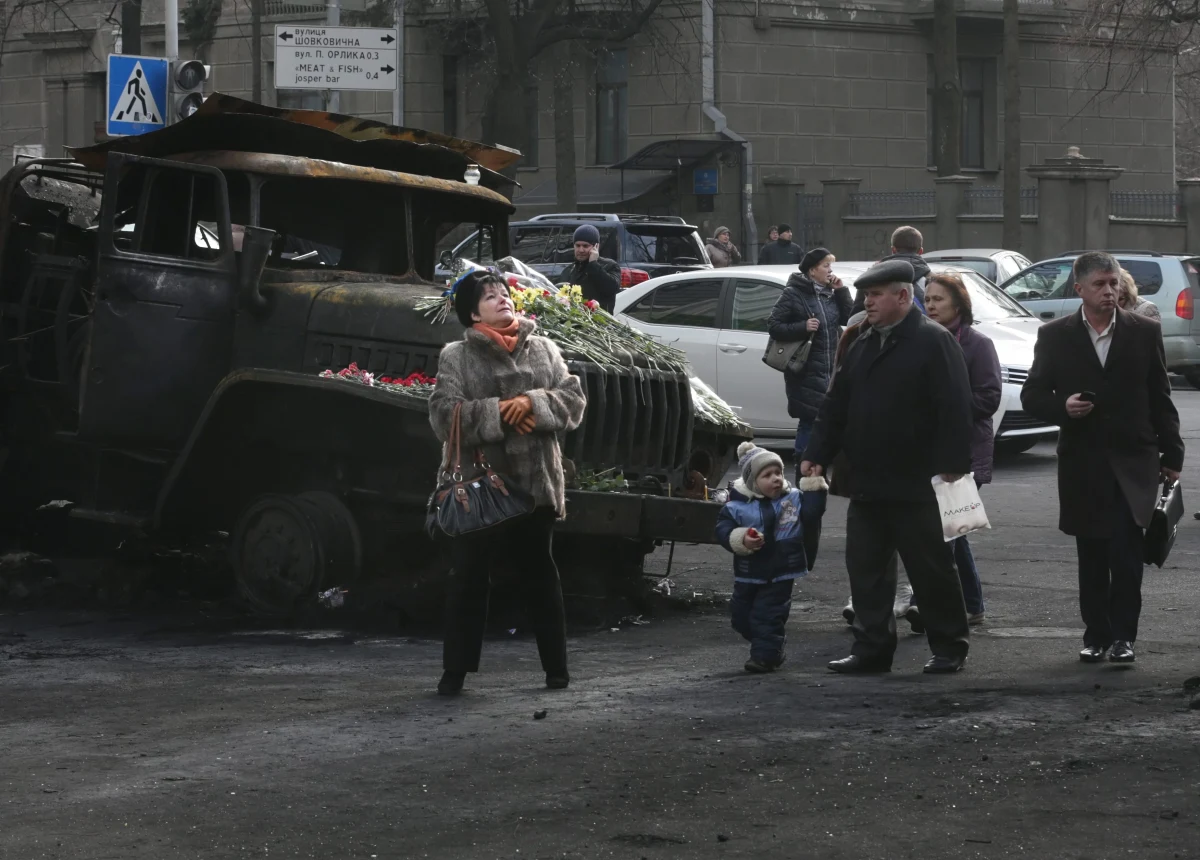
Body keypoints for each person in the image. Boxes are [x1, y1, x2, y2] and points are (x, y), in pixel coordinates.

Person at [801, 258, 974, 675]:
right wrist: (816, 453)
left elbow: (954, 406)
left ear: (902, 296)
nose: (867, 302)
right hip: (867, 480)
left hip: (917, 481)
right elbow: (836, 405)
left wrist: (953, 465)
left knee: (931, 568)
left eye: (875, 294)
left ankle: (949, 646)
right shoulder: (863, 341)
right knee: (867, 570)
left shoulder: (933, 341)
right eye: (865, 294)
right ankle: (872, 648)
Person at [428, 271, 587, 695]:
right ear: (471, 310)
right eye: (489, 297)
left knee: (541, 575)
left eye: (504, 294)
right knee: (468, 577)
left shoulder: (546, 349)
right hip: (483, 486)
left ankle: (557, 670)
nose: (502, 300)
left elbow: (574, 401)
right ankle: (455, 673)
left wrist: (531, 404)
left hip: (537, 485)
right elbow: (444, 414)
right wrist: (500, 413)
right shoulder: (457, 356)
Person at [1021, 251, 1183, 665]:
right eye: (1099, 284)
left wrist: (1172, 453)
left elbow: (1160, 396)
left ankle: (1124, 637)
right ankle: (1096, 635)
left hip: (1135, 459)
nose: (1110, 291)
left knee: (1127, 553)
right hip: (1084, 461)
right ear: (1079, 289)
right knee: (1092, 553)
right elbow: (1033, 395)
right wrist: (1064, 407)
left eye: (1113, 283)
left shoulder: (1144, 331)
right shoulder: (1055, 335)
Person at [923, 272, 1002, 625]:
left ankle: (937, 610)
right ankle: (971, 605)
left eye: (938, 299)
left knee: (944, 534)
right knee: (954, 529)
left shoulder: (977, 344)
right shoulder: (924, 340)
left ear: (958, 303)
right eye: (927, 299)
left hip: (965, 452)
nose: (930, 305)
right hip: (929, 450)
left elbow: (989, 398)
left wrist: (946, 403)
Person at [715, 442, 826, 673]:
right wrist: (741, 538)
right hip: (749, 571)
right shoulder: (737, 507)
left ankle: (765, 657)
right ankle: (768, 643)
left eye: (778, 473)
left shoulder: (792, 499)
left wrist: (814, 486)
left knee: (768, 615)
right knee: (740, 616)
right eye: (767, 475)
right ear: (752, 482)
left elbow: (812, 514)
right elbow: (723, 530)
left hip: (781, 571)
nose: (776, 478)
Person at [766, 247, 853, 494]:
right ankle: (803, 484)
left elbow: (849, 317)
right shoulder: (794, 294)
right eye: (826, 266)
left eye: (831, 266)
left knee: (827, 423)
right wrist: (802, 326)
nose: (830, 270)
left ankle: (818, 480)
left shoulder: (830, 294)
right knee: (809, 423)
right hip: (805, 371)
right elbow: (774, 325)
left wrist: (842, 290)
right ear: (812, 270)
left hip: (830, 371)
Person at [851, 226, 930, 315]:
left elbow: (855, 315)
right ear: (920, 251)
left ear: (893, 250)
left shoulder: (873, 275)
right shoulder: (931, 278)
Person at [563, 224, 621, 313]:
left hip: (600, 323)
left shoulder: (610, 266)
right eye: (577, 245)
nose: (581, 250)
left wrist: (593, 264)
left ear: (596, 246)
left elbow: (611, 289)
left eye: (585, 246)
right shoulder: (569, 270)